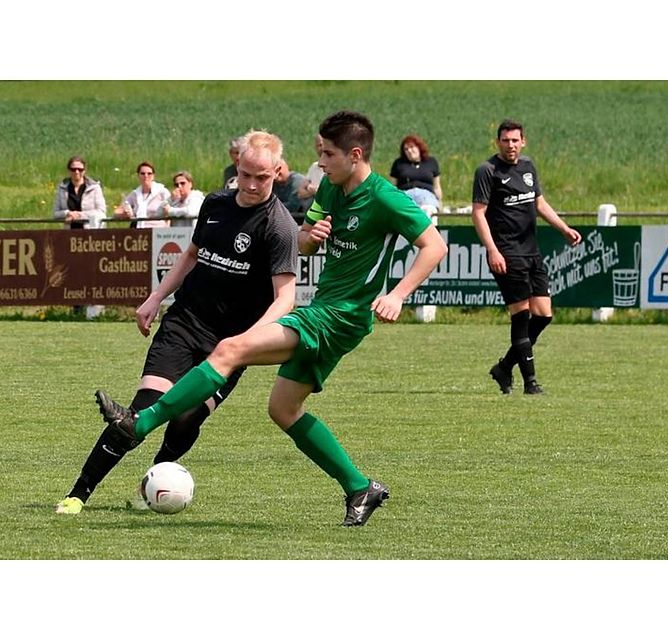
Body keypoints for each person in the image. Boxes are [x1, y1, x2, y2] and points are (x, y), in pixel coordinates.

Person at [92, 111, 448, 527]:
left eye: (327, 154)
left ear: (355, 155)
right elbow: (302, 244)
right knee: (282, 409)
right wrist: (309, 238)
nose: (320, 163)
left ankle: (138, 423)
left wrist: (398, 295)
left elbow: (434, 246)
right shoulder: (332, 189)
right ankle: (359, 487)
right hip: (324, 309)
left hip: (342, 316)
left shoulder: (386, 198)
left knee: (230, 349)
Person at [55, 130, 299, 515]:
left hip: (231, 344)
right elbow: (190, 256)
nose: (252, 185)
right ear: (238, 165)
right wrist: (155, 297)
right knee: (145, 407)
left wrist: (249, 341)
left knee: (185, 419)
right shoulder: (217, 203)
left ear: (277, 172)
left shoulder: (279, 227)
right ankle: (78, 494)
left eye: (263, 177)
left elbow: (286, 297)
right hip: (185, 322)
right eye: (247, 174)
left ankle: (151, 483)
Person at [471, 119, 582, 395]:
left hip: (531, 252)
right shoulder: (488, 171)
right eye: (505, 140)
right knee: (520, 317)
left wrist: (564, 229)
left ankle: (504, 367)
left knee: (543, 315)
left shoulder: (528, 167)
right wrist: (493, 250)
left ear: (523, 141)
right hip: (507, 254)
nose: (510, 145)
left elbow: (538, 203)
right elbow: (478, 213)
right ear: (498, 142)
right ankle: (531, 383)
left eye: (515, 140)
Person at [389, 134, 443, 212]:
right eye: (406, 149)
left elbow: (436, 187)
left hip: (426, 195)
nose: (409, 151)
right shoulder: (399, 163)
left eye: (412, 147)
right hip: (406, 195)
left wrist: (440, 202)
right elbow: (392, 187)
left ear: (419, 147)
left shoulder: (431, 162)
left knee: (428, 210)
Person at [52, 155, 107, 229]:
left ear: (84, 170)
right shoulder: (62, 188)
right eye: (73, 169)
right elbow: (55, 214)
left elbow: (101, 212)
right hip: (69, 232)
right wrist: (67, 213)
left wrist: (80, 215)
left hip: (91, 232)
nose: (76, 172)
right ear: (69, 170)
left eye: (80, 169)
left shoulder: (95, 187)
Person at [114, 161, 171, 228]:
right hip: (139, 232)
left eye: (149, 173)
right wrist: (125, 214)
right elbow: (117, 212)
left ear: (153, 176)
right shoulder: (135, 194)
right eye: (142, 173)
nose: (146, 176)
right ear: (138, 176)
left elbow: (172, 211)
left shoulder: (162, 192)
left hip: (158, 232)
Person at [295, 134, 325, 213]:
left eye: (324, 144)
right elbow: (300, 193)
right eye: (319, 145)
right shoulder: (314, 167)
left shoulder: (336, 167)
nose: (322, 148)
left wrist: (314, 190)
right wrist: (314, 191)